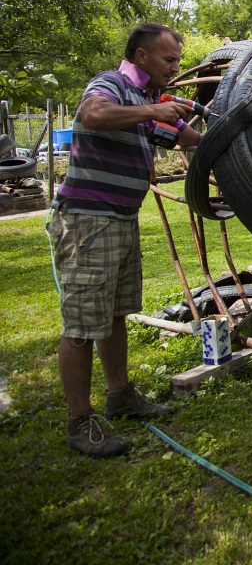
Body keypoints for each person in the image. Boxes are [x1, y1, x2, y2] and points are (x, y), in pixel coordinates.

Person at [47, 23, 202, 457]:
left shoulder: (145, 101)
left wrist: (230, 144)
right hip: (88, 222)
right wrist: (152, 113)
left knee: (114, 313)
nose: (175, 68)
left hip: (120, 219)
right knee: (81, 323)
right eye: (169, 60)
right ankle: (80, 422)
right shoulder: (111, 85)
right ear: (141, 57)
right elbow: (93, 115)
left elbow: (189, 139)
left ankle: (120, 396)